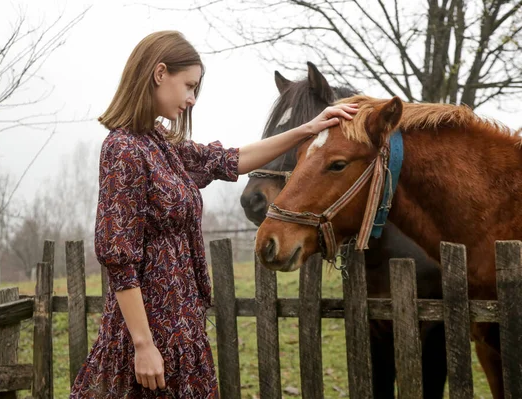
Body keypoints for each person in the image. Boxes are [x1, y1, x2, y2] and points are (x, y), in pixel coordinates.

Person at [70, 30, 357, 399]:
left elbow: (232, 160)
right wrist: (143, 346)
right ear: (159, 73)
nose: (191, 100)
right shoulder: (124, 149)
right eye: (189, 86)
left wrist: (308, 128)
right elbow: (118, 257)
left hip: (182, 328)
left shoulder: (162, 146)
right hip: (150, 337)